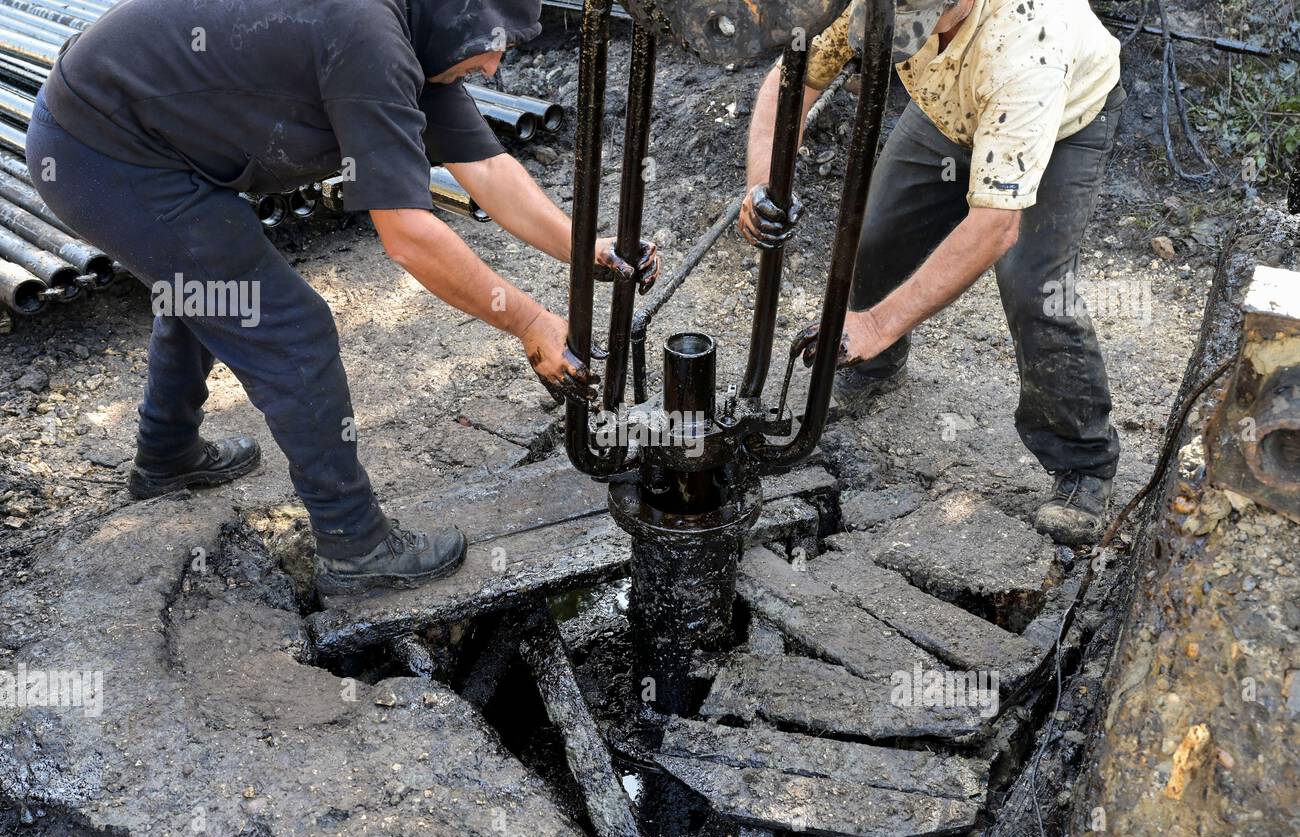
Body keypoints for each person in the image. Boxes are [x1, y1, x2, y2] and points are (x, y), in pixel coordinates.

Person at [27, 0, 658, 594]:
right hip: (101, 152)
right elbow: (408, 235)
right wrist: (529, 322)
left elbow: (487, 168)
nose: (495, 66)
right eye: (492, 47)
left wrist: (585, 247)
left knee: (210, 281)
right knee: (289, 327)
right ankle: (355, 547)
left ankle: (167, 456)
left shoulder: (414, 34)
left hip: (138, 137)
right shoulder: (369, 39)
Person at [741, 0, 1125, 545]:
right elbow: (793, 80)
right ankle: (875, 370)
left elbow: (994, 227)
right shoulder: (868, 7)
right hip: (947, 106)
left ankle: (1083, 463)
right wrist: (764, 182)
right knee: (872, 235)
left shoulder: (1026, 45)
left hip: (1060, 119)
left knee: (1035, 287)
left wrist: (878, 322)